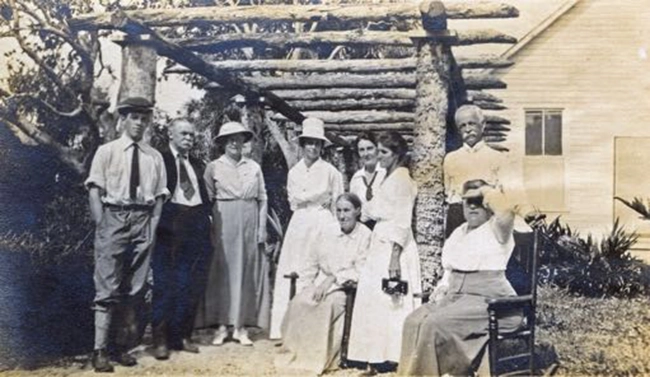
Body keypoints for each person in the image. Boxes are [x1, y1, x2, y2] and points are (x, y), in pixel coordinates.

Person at [398, 179, 524, 376]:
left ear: (488, 204)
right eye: (468, 201)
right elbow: (450, 269)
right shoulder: (459, 232)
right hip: (456, 297)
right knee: (413, 321)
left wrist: (487, 192)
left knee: (434, 324)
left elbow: (506, 211)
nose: (473, 206)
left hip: (492, 301)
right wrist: (443, 286)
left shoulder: (498, 229)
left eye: (479, 201)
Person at [85, 97, 169, 373]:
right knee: (107, 286)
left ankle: (121, 347)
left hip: (143, 220)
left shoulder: (154, 157)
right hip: (114, 217)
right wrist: (102, 224)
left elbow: (158, 197)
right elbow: (95, 190)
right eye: (134, 117)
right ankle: (99, 351)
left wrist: (152, 227)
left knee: (134, 288)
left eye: (144, 118)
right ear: (124, 119)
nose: (140, 123)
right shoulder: (107, 151)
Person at [347, 131, 422, 375]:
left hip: (393, 246)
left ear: (397, 155)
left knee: (392, 298)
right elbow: (372, 210)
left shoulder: (401, 179)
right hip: (380, 242)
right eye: (377, 151)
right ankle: (375, 355)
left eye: (383, 152)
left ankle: (393, 355)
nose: (378, 157)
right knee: (376, 299)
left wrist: (394, 258)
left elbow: (402, 220)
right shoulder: (387, 178)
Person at [276, 193, 371, 374]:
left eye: (347, 210)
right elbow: (311, 261)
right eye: (339, 210)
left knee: (325, 307)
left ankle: (315, 359)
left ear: (357, 211)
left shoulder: (365, 235)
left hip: (346, 288)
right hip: (320, 283)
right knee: (300, 302)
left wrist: (334, 279)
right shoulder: (328, 231)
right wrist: (307, 285)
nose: (342, 216)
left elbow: (362, 270)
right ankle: (296, 354)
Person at [269, 117, 344, 340]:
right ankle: (286, 327)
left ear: (322, 146)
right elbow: (294, 201)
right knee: (294, 268)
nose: (312, 147)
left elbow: (337, 202)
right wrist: (312, 198)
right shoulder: (294, 172)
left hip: (323, 222)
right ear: (302, 145)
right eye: (308, 142)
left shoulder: (331, 172)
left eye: (317, 143)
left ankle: (313, 328)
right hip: (300, 223)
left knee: (318, 269)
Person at [195, 122, 268, 346]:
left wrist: (262, 227)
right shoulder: (213, 167)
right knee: (222, 273)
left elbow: (263, 198)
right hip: (223, 221)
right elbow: (206, 201)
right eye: (230, 139)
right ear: (223, 143)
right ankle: (221, 326)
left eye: (238, 138)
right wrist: (210, 229)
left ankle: (241, 326)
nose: (235, 143)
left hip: (249, 220)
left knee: (246, 272)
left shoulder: (254, 167)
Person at [151, 118, 212, 360]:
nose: (188, 138)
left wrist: (206, 220)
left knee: (190, 282)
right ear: (171, 135)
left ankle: (182, 335)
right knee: (165, 281)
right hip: (170, 222)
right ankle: (160, 339)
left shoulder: (197, 163)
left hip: (196, 222)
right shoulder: (161, 159)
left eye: (191, 135)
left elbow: (204, 196)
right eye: (183, 134)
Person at [443, 105, 535, 238]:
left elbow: (513, 190)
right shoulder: (451, 159)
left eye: (471, 123)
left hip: (487, 215)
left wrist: (527, 212)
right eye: (462, 126)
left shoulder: (497, 158)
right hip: (458, 218)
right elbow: (447, 192)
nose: (468, 129)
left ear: (482, 125)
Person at [349, 132, 386, 229]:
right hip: (363, 230)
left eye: (369, 148)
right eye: (361, 150)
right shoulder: (356, 178)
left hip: (384, 229)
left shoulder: (386, 173)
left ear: (377, 149)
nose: (366, 154)